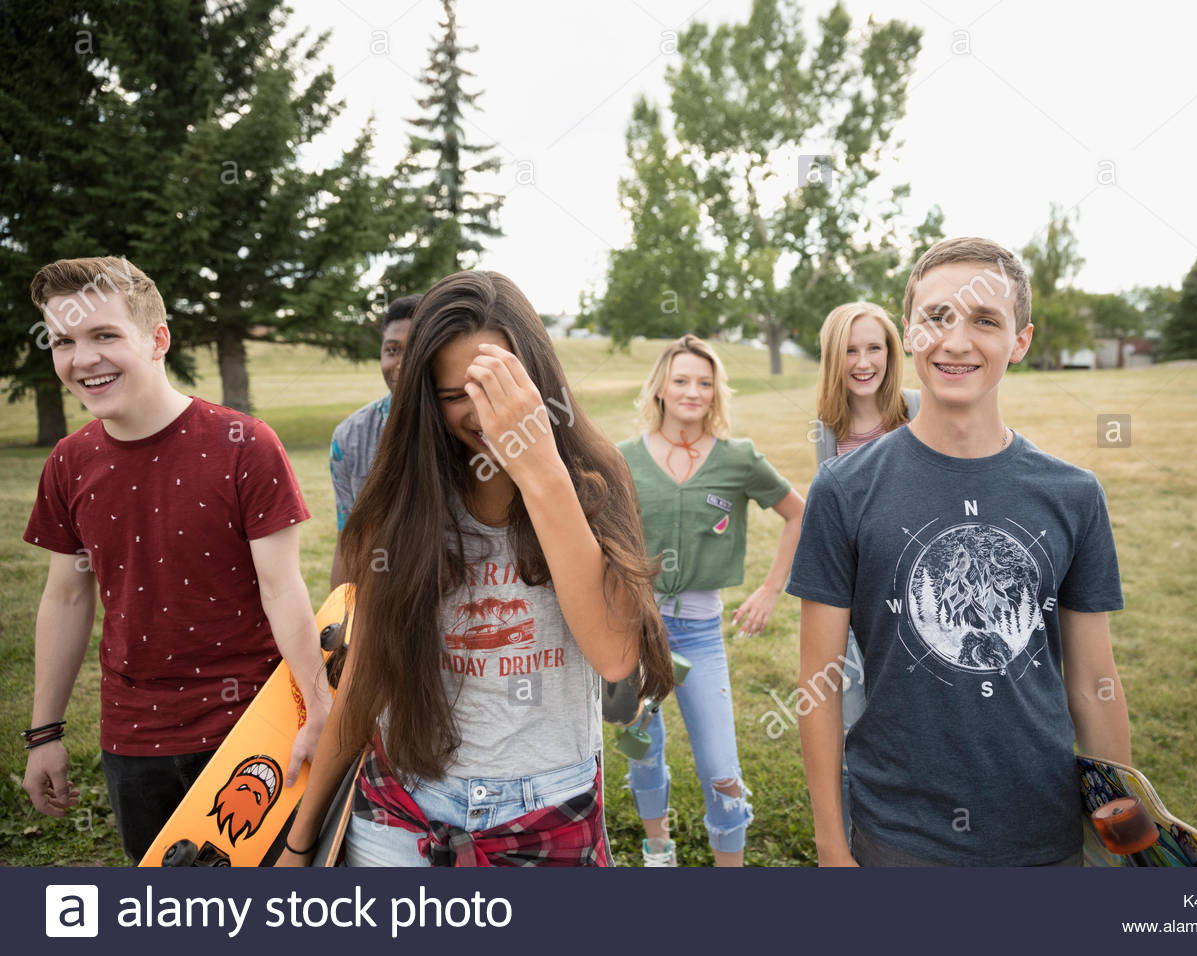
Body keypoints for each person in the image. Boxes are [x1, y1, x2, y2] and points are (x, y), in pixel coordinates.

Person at [278, 271, 674, 867]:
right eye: (457, 395)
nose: (485, 416)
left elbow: (616, 654)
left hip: (544, 813)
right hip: (400, 815)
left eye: (499, 386)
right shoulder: (408, 493)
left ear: (536, 376)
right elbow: (366, 676)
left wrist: (539, 464)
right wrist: (300, 840)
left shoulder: (595, 476)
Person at [789, 237, 1131, 866]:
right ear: (911, 333)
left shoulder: (1074, 495)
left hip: (1044, 836)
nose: (956, 341)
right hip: (898, 838)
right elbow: (820, 681)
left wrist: (1128, 838)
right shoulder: (843, 489)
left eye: (985, 320)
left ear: (1020, 342)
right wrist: (831, 847)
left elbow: (1094, 683)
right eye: (937, 317)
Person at [22, 256, 330, 863]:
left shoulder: (244, 443)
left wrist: (318, 704)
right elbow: (65, 596)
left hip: (252, 727)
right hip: (135, 737)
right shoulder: (69, 460)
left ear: (158, 339)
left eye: (105, 335)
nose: (82, 358)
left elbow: (282, 588)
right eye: (64, 341)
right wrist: (45, 733)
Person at [618, 335, 804, 867]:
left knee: (722, 768)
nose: (692, 391)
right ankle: (659, 850)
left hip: (699, 633)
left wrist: (771, 589)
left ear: (716, 391)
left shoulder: (738, 459)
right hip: (637, 630)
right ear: (660, 388)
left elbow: (799, 512)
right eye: (681, 380)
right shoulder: (623, 459)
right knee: (642, 753)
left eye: (704, 382)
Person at [811, 302, 920, 840]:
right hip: (856, 607)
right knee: (851, 725)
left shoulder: (917, 411)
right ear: (834, 357)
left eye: (874, 347)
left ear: (892, 351)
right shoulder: (825, 433)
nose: (863, 361)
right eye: (850, 350)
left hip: (916, 598)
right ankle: (855, 841)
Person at [329, 295, 417, 589]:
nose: (402, 363)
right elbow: (348, 538)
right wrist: (339, 620)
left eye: (415, 350)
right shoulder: (350, 437)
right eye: (393, 350)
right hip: (382, 594)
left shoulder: (462, 425)